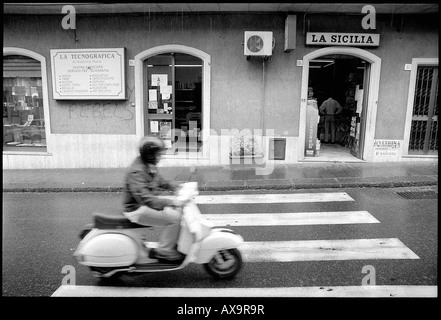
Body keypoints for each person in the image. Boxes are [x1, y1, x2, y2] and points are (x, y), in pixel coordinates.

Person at [122, 136, 185, 262]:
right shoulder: (137, 172)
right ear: (150, 155)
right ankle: (164, 251)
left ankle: (172, 244)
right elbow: (146, 199)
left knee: (177, 212)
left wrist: (176, 186)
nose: (160, 157)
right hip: (136, 210)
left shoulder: (148, 165)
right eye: (159, 154)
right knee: (174, 218)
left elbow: (160, 181)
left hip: (143, 205)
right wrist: (170, 202)